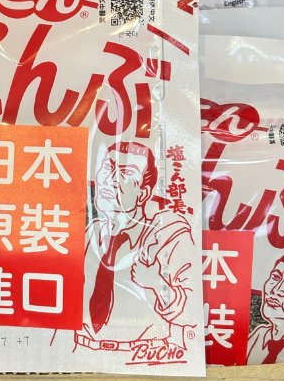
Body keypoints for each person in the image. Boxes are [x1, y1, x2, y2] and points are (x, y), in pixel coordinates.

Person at [75, 141, 197, 355]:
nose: (111, 180)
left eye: (125, 173)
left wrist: (156, 283)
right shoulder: (91, 233)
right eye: (107, 168)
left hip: (143, 356)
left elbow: (193, 311)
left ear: (143, 193)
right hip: (80, 351)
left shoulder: (167, 234)